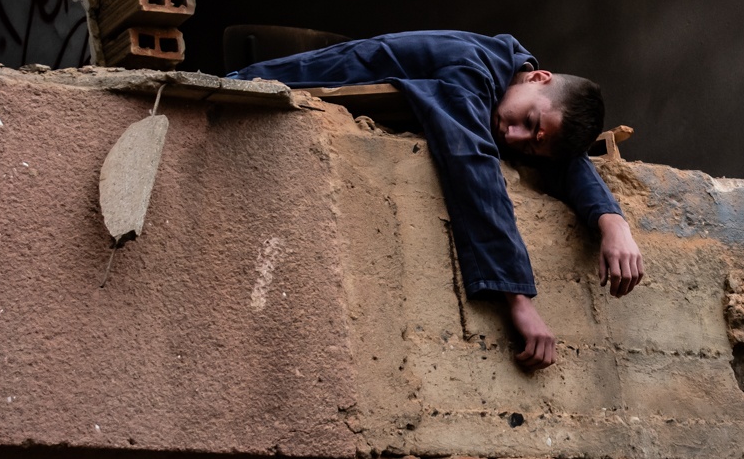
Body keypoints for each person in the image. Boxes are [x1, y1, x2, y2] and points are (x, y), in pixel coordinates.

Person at [230, 30, 644, 370]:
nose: (513, 137)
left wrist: (612, 222)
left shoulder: (513, 86)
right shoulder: (469, 64)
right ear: (538, 77)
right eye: (528, 122)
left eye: (532, 144)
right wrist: (518, 299)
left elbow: (566, 157)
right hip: (246, 88)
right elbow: (471, 163)